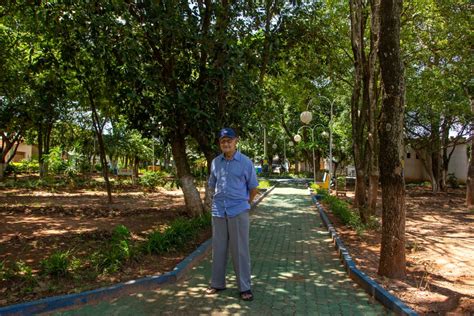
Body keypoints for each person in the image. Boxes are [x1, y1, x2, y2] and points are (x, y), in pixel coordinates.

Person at [206, 127, 259, 301]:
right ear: (220, 144)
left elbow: (253, 188)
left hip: (238, 210)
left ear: (236, 141)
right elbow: (211, 184)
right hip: (219, 210)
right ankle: (217, 283)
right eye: (223, 141)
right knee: (219, 249)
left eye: (229, 140)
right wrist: (210, 201)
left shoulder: (245, 162)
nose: (226, 143)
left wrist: (245, 203)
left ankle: (244, 287)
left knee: (240, 250)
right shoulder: (215, 162)